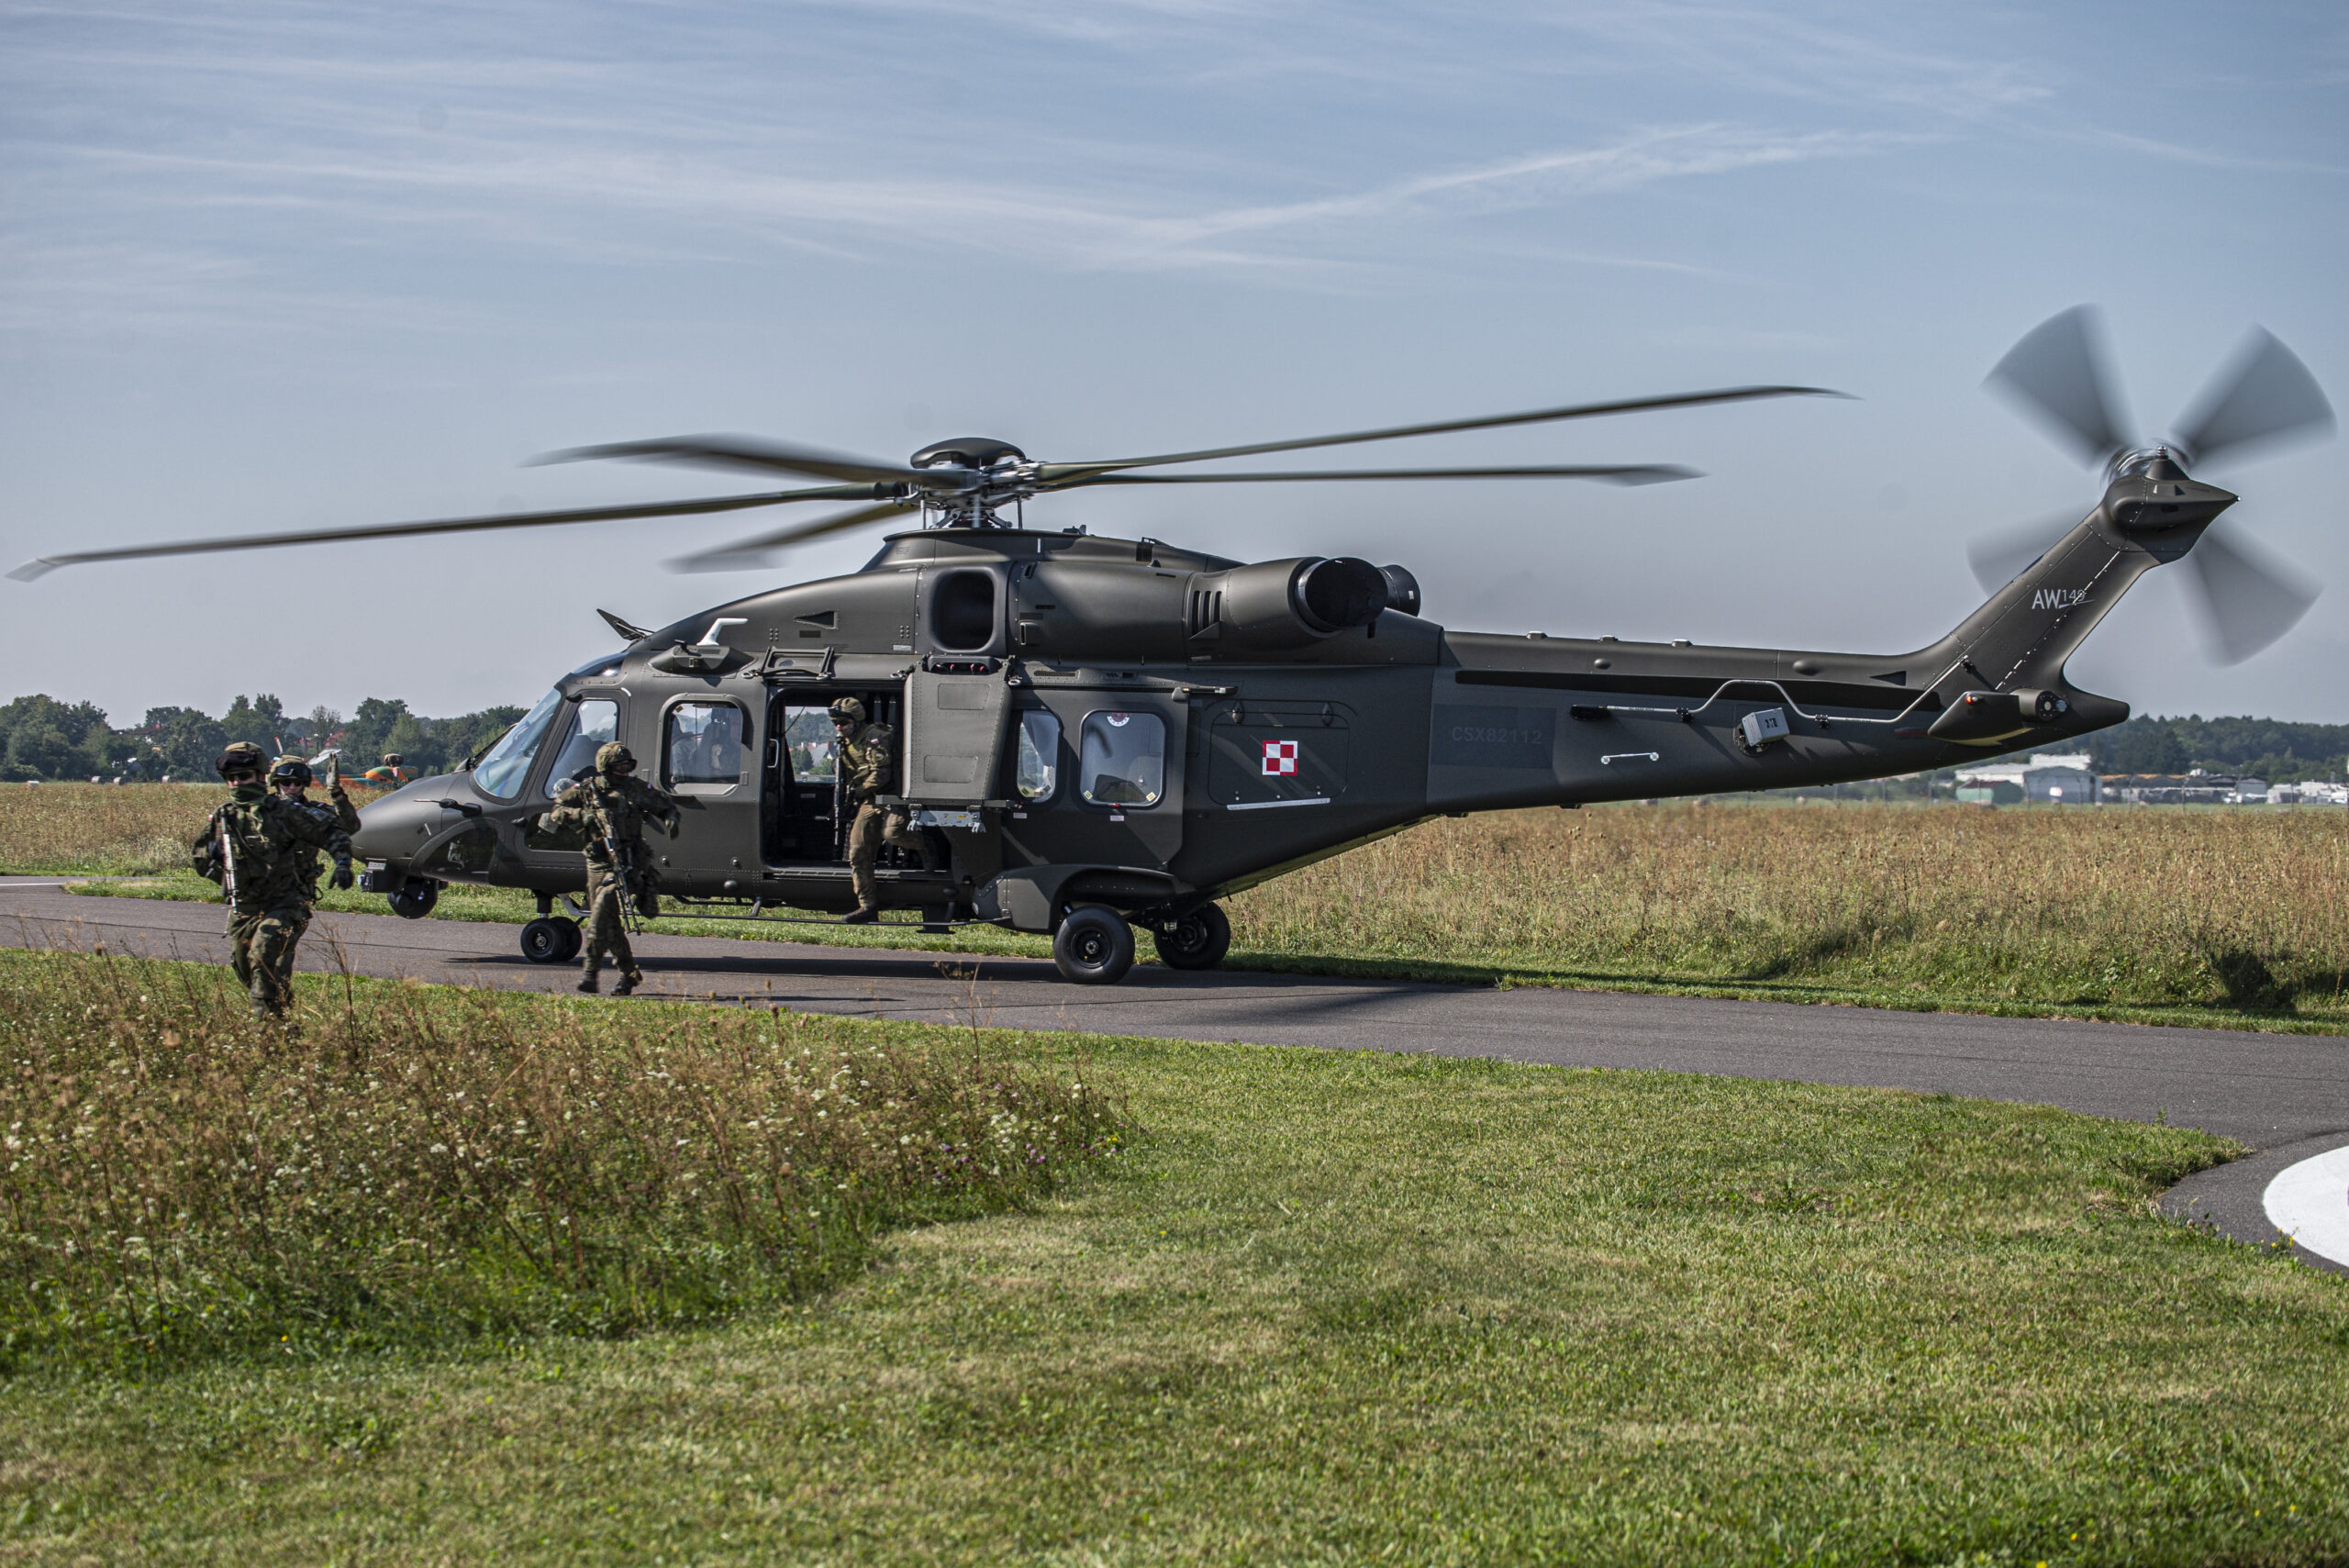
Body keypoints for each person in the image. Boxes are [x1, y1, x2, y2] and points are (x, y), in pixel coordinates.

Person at [191, 740, 353, 1018]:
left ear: (260, 777)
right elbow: (199, 858)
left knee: (264, 955)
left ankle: (267, 1034)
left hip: (286, 903)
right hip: (244, 908)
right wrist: (220, 864)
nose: (237, 784)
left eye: (243, 777)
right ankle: (282, 1019)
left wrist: (342, 864)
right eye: (231, 779)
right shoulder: (225, 815)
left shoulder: (285, 813)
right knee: (247, 969)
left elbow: (334, 832)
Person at [542, 741, 678, 995]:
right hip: (597, 863)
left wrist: (671, 818)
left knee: (601, 910)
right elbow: (555, 813)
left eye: (628, 766)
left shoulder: (636, 788)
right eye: (620, 766)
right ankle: (628, 975)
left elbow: (663, 803)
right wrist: (582, 817)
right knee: (609, 923)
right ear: (606, 767)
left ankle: (590, 973)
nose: (625, 771)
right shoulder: (586, 790)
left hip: (629, 862)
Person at [831, 696, 932, 924]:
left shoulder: (875, 736)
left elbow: (881, 774)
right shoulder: (846, 742)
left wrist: (857, 790)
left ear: (855, 720)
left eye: (843, 722)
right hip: (870, 800)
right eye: (835, 722)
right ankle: (867, 906)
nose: (839, 726)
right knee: (857, 851)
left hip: (894, 796)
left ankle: (925, 846)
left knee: (893, 833)